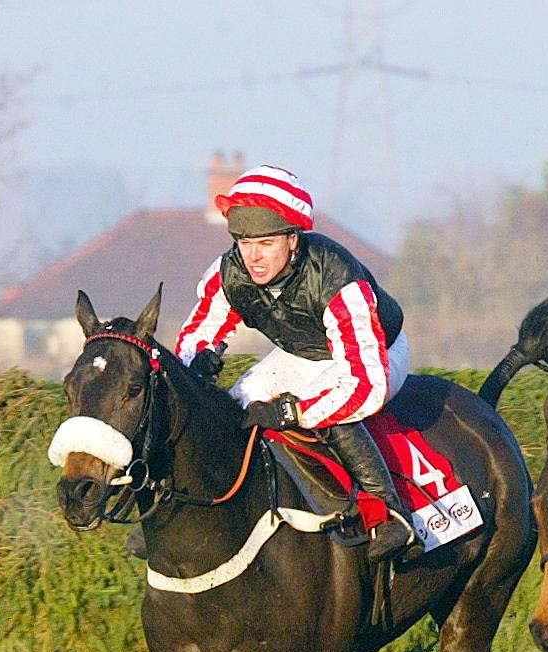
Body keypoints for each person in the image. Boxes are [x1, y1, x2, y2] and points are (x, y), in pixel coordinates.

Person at [175, 164, 421, 565]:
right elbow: (197, 335)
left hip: (375, 354)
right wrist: (199, 363)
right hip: (302, 351)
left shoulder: (338, 278)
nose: (252, 257)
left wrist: (293, 411)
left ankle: (390, 514)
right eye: (243, 242)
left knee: (331, 412)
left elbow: (363, 384)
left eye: (266, 244)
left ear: (293, 239)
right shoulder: (228, 273)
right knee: (228, 411)